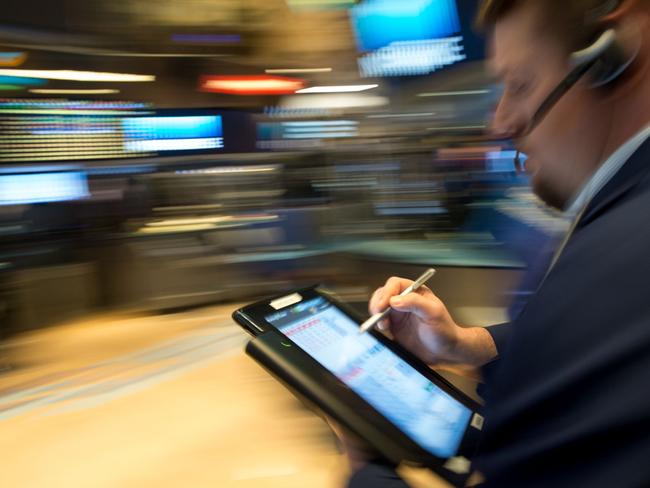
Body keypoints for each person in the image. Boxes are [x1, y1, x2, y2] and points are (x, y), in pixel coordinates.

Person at [342, 0, 650, 486]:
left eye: (521, 85)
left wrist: (365, 462)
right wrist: (469, 345)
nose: (500, 122)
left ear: (616, 55)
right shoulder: (621, 220)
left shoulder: (614, 263)